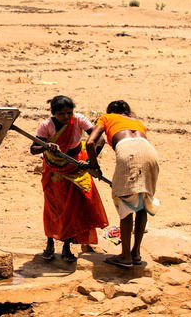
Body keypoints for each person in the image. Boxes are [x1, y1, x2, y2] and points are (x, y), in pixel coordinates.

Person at [30, 95, 109, 262]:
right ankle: (50, 243)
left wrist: (90, 161)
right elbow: (33, 149)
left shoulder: (79, 120)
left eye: (69, 113)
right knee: (54, 208)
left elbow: (99, 139)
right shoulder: (46, 126)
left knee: (73, 207)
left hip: (76, 166)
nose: (66, 117)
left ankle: (67, 247)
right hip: (54, 171)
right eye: (61, 114)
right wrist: (46, 146)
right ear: (54, 113)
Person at [86, 100, 159, 269]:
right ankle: (136, 253)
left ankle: (125, 257)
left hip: (129, 153)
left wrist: (93, 165)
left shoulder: (107, 118)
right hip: (150, 153)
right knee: (142, 202)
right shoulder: (137, 122)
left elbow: (90, 142)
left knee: (126, 204)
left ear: (110, 111)